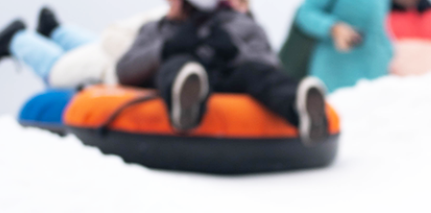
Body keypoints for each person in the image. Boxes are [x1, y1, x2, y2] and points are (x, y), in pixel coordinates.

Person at [115, 0, 330, 145]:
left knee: (254, 72)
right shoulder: (156, 29)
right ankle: (187, 105)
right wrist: (165, 49)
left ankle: (302, 109)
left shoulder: (242, 25)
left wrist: (235, 51)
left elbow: (270, 63)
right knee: (180, 65)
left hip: (230, 80)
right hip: (185, 77)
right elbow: (124, 70)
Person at [0, 5, 167, 89]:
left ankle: (57, 32)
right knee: (57, 70)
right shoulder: (173, 19)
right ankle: (16, 39)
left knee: (94, 47)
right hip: (114, 61)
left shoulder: (177, 15)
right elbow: (113, 38)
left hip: (118, 52)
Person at [292, 0, 393, 93]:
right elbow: (305, 13)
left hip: (375, 74)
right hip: (336, 73)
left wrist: (391, 53)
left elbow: (379, 27)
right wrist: (334, 28)